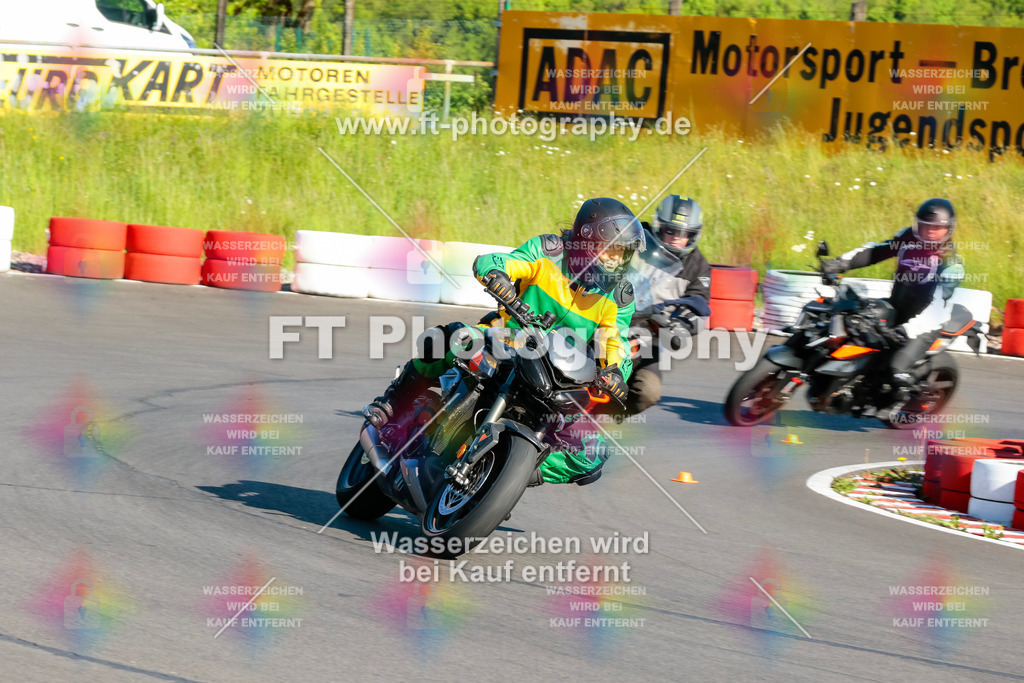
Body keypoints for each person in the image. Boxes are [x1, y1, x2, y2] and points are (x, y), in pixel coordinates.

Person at [362, 197, 644, 486]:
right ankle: (394, 400)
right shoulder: (549, 252)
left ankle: (507, 474)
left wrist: (615, 374)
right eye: (610, 252)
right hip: (506, 340)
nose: (616, 261)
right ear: (586, 240)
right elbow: (497, 262)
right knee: (450, 338)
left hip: (560, 377)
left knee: (592, 455)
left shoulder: (619, 296)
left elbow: (616, 343)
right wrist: (498, 276)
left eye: (622, 255)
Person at [820, 198, 966, 415]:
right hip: (896, 308)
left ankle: (900, 399)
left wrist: (906, 331)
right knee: (854, 328)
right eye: (925, 225)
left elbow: (937, 310)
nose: (929, 232)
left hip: (924, 325)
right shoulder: (907, 237)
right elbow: (876, 251)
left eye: (937, 228)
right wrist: (840, 263)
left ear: (948, 229)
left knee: (896, 369)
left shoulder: (951, 266)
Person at [603, 194, 712, 416]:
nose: (675, 238)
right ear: (658, 225)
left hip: (648, 335)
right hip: (607, 312)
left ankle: (599, 418)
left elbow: (699, 305)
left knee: (648, 392)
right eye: (670, 230)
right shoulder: (635, 235)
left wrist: (680, 326)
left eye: (683, 234)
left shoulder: (699, 266)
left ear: (693, 235)